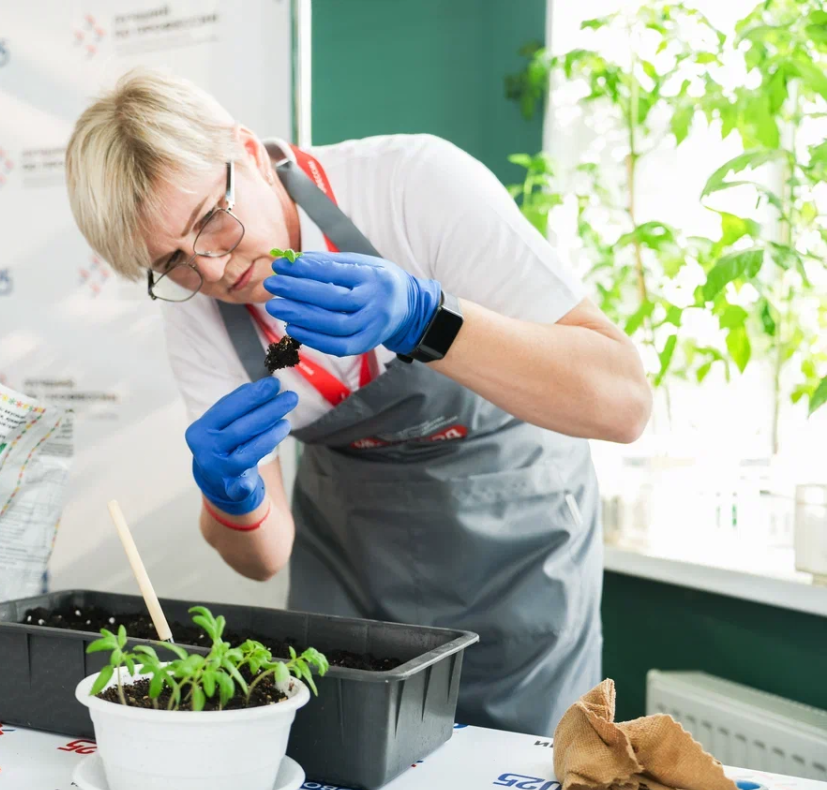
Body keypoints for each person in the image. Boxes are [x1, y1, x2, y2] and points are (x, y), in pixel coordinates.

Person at [64, 68, 651, 736]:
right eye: (173, 262)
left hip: (516, 551)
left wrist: (428, 320)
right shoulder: (197, 313)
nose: (214, 270)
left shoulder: (413, 186)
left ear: (249, 151)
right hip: (352, 566)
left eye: (212, 221)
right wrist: (232, 500)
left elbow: (623, 400)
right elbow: (267, 555)